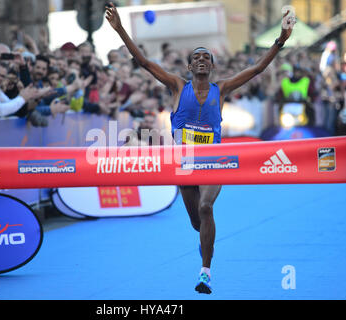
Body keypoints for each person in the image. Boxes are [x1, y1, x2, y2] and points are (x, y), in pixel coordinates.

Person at [105, 2, 295, 294]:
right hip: (183, 163)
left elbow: (257, 68)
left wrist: (280, 40)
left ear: (213, 66)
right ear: (190, 67)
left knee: (207, 207)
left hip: (213, 160)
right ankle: (205, 242)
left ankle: (205, 272)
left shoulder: (223, 88)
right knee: (197, 223)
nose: (203, 60)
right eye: (198, 58)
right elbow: (143, 62)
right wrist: (119, 30)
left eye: (207, 57)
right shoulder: (177, 86)